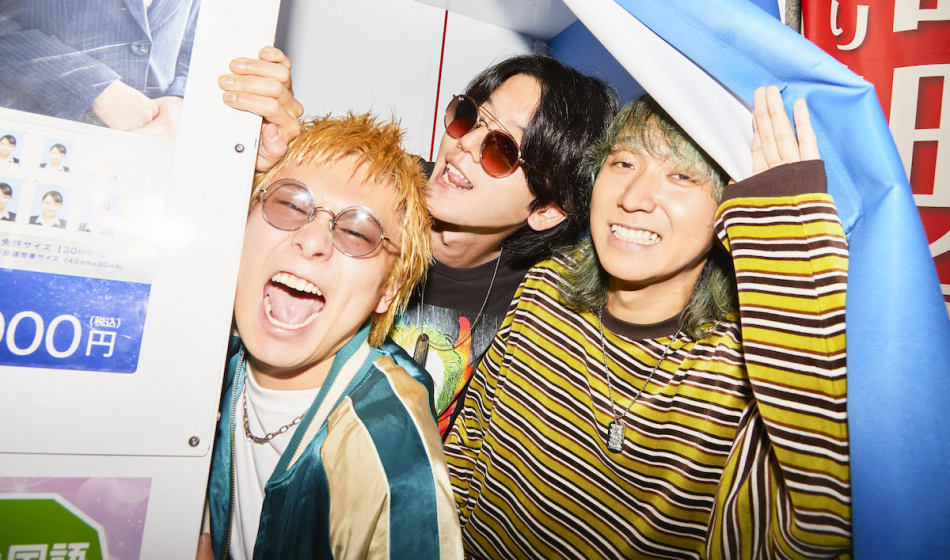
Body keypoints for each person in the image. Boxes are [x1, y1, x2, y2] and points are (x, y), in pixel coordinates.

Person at [443, 87, 851, 559]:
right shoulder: (546, 287)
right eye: (623, 163)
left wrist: (787, 251)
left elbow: (818, 528)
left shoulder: (740, 371)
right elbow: (467, 451)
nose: (634, 198)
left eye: (681, 176)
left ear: (728, 210)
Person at [221, 51, 619, 435]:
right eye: (470, 118)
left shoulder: (540, 296)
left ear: (547, 210)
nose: (466, 143)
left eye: (503, 150)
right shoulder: (369, 189)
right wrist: (262, 153)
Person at [203, 112, 462, 560]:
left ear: (389, 289)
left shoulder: (389, 451)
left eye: (358, 232)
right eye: (290, 205)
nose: (312, 240)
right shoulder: (209, 351)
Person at [0, 0, 206, 138]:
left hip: (145, 147)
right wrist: (90, 84)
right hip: (34, 138)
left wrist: (179, 101)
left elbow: (191, 43)